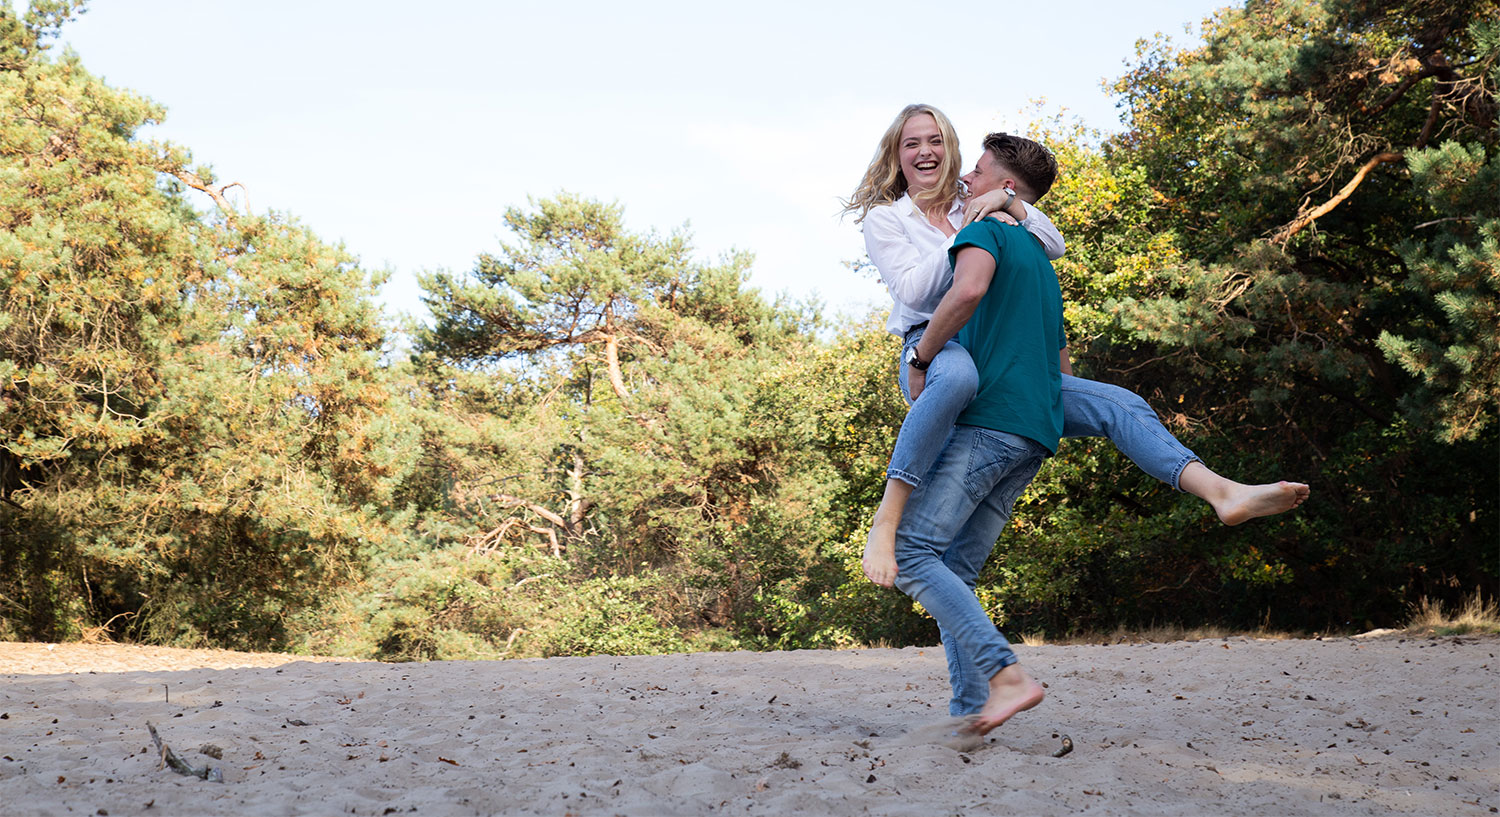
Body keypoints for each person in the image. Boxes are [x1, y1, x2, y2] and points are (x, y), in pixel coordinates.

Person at [845, 105, 1309, 589]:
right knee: (960, 378)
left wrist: (1011, 205)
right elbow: (916, 292)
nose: (926, 151)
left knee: (1122, 405)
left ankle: (1221, 492)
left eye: (935, 140)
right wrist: (969, 235)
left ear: (951, 148)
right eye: (912, 143)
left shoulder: (973, 199)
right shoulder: (888, 219)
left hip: (998, 352)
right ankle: (888, 515)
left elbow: (1052, 241)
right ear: (896, 155)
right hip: (936, 346)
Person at [891, 134, 1066, 733]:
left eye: (979, 171)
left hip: (991, 424)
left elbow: (962, 292)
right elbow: (1060, 358)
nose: (967, 178)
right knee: (957, 572)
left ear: (1004, 188)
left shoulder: (982, 232)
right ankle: (973, 712)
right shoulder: (1036, 256)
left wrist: (920, 360)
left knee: (911, 552)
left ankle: (1005, 674)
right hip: (1034, 431)